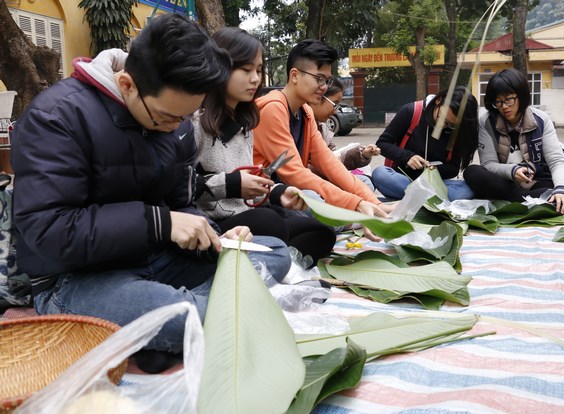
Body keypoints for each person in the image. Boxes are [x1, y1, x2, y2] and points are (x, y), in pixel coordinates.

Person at [9, 14, 291, 357]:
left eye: (186, 117)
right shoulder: (56, 117)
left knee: (274, 252)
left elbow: (181, 204)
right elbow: (48, 230)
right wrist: (161, 223)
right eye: (166, 118)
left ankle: (155, 326)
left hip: (155, 258)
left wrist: (212, 236)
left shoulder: (177, 124)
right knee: (198, 317)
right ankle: (177, 315)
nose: (177, 129)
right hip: (75, 278)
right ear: (127, 85)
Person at [193, 27, 336, 266]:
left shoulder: (246, 124)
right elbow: (181, 186)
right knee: (271, 222)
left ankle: (275, 263)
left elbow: (251, 183)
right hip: (215, 223)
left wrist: (278, 192)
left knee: (323, 232)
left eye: (259, 70)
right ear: (219, 67)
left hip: (250, 215)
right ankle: (272, 261)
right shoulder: (195, 123)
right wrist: (232, 184)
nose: (255, 79)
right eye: (246, 69)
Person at [253, 39, 393, 240]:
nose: (324, 87)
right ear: (294, 75)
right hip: (269, 194)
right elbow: (296, 174)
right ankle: (352, 218)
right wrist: (356, 203)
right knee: (313, 201)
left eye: (326, 80)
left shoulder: (306, 113)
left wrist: (374, 202)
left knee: (362, 185)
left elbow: (329, 164)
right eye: (319, 78)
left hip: (294, 191)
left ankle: (357, 215)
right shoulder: (273, 108)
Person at [463, 69, 564, 214]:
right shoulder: (486, 122)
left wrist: (562, 190)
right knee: (472, 172)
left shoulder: (541, 119)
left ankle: (513, 201)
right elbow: (488, 164)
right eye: (498, 101)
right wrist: (512, 171)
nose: (504, 106)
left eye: (509, 99)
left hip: (538, 181)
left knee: (555, 191)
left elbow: (557, 161)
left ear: (521, 96)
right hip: (506, 182)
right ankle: (530, 201)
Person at [372, 86, 478, 201]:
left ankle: (416, 200)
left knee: (466, 190)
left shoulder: (456, 130)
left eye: (449, 124)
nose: (442, 125)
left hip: (435, 183)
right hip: (404, 179)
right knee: (380, 174)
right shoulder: (411, 111)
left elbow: (454, 168)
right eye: (441, 117)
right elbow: (382, 144)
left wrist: (432, 169)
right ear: (439, 100)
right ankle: (431, 201)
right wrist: (408, 157)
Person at [308, 78, 380, 192]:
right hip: (307, 184)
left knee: (365, 183)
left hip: (324, 179)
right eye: (335, 104)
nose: (336, 111)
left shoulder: (323, 127)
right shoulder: (298, 125)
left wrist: (363, 154)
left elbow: (333, 157)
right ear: (317, 97)